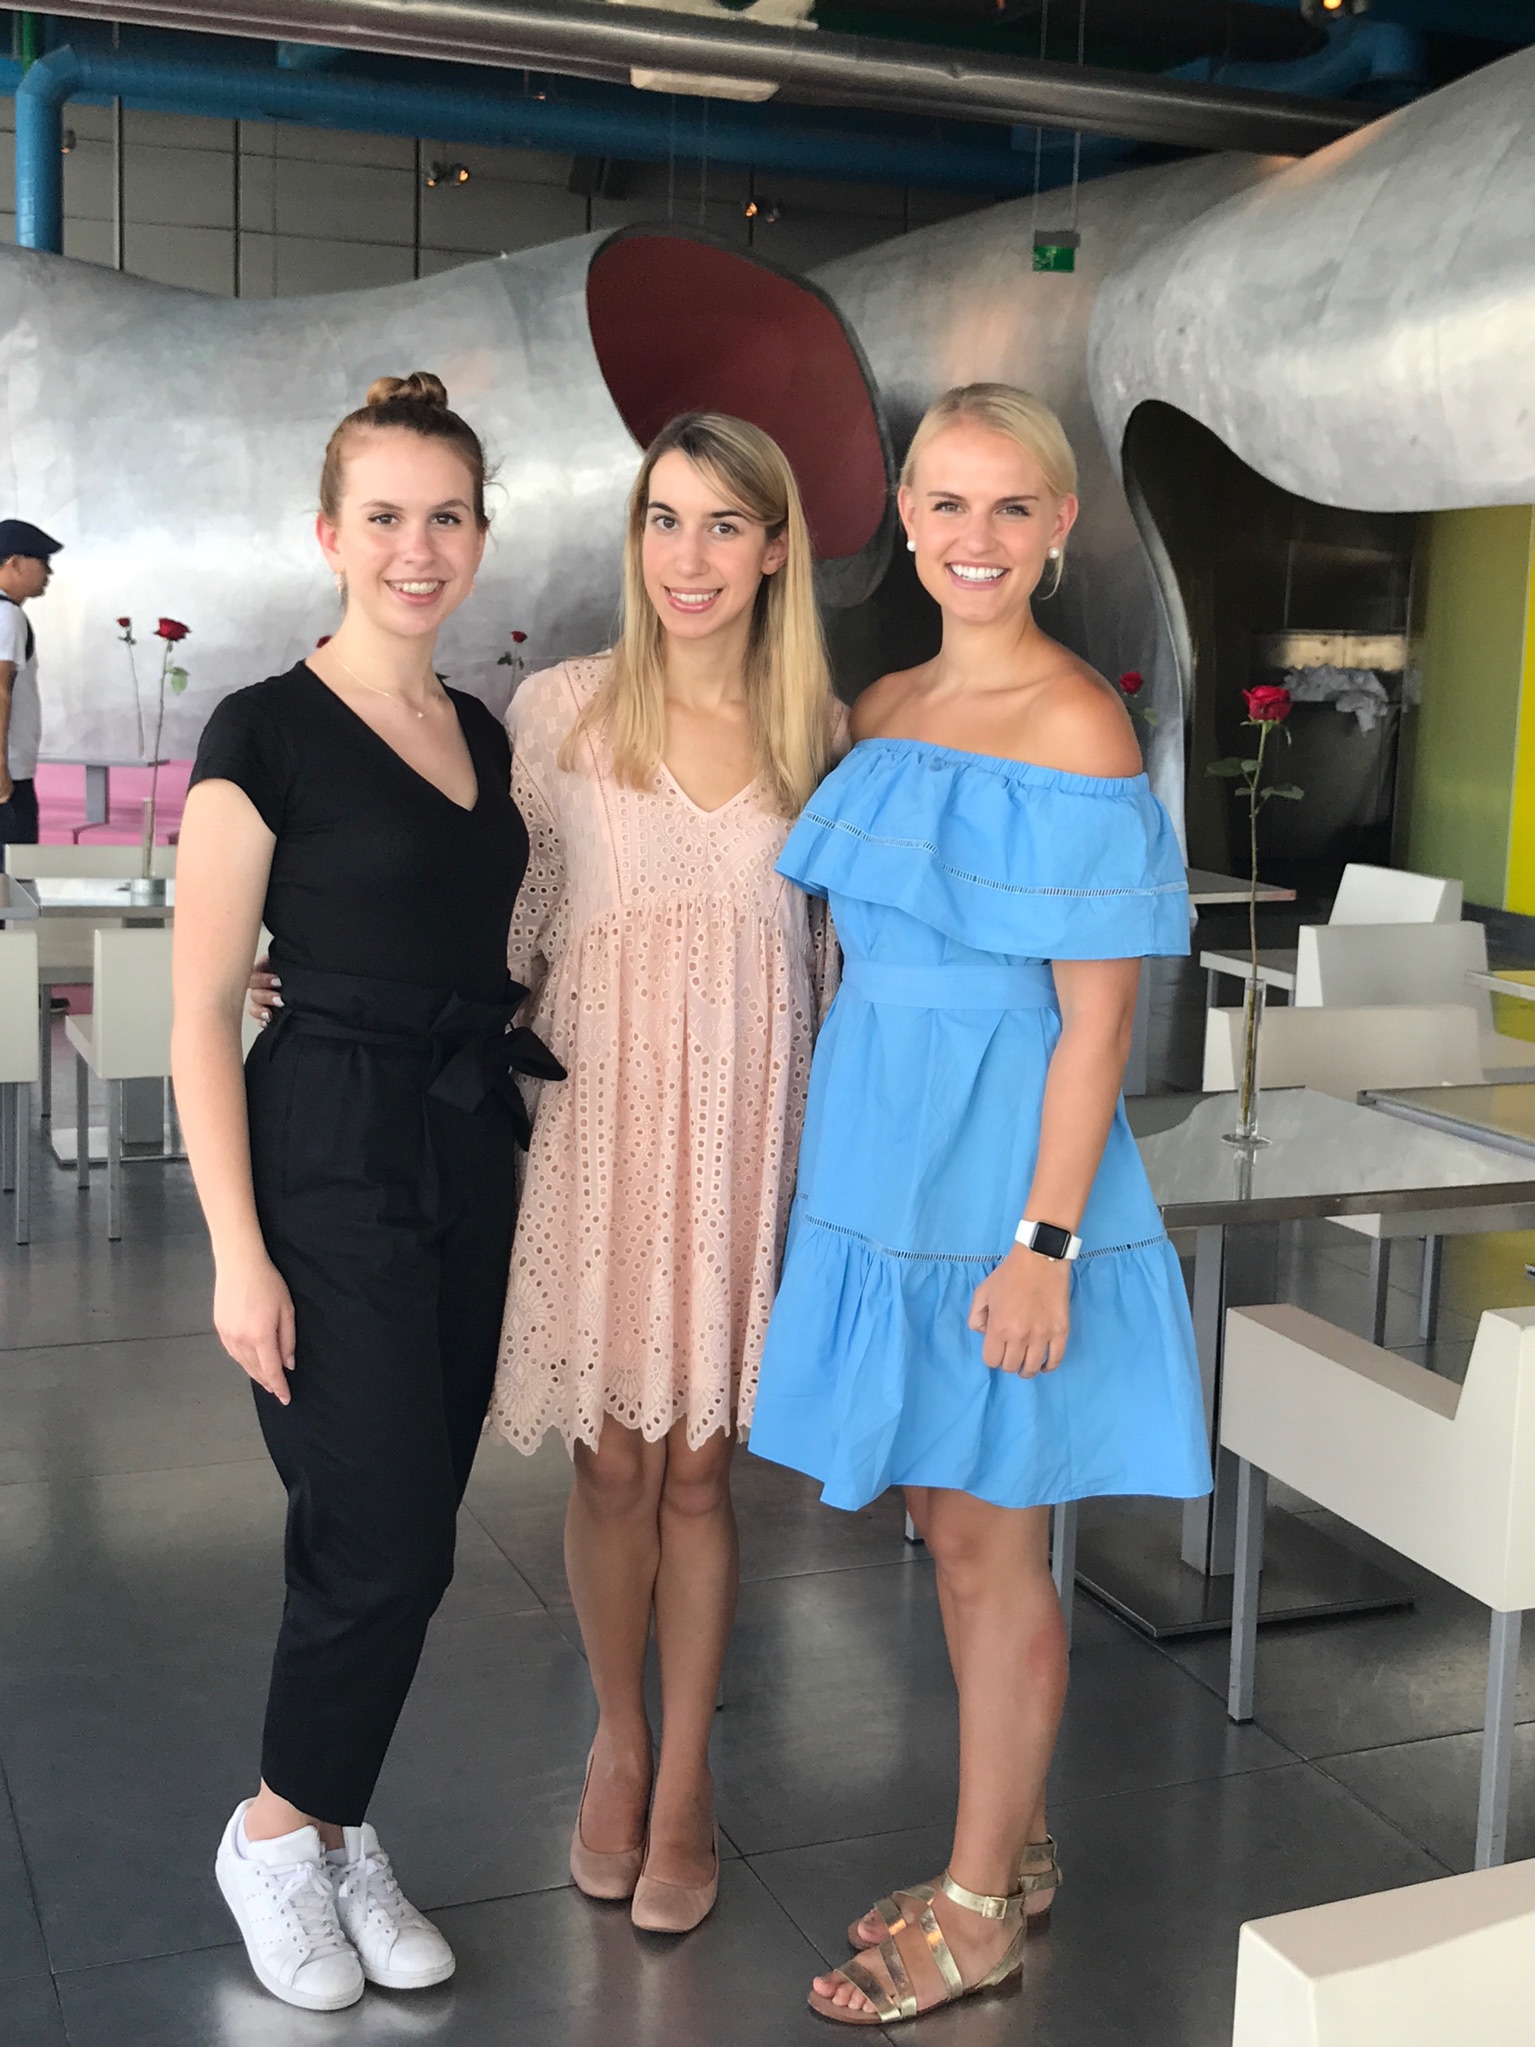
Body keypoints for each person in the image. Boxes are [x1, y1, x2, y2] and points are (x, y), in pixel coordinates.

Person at [748, 383, 1211, 2025]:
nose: (975, 536)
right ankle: (1005, 1848)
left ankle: (977, 1906)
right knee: (948, 1524)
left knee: (988, 1542)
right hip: (882, 1158)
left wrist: (1044, 1242)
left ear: (1060, 525)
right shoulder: (881, 707)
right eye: (946, 502)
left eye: (1012, 506)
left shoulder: (1079, 724)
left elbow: (1096, 1021)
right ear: (906, 517)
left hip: (1002, 1172)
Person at [172, 372, 560, 2014]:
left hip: (465, 1139)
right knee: (379, 1528)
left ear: (478, 534)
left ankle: (333, 1826)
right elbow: (199, 1005)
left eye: (446, 515)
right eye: (385, 515)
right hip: (324, 1144)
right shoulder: (260, 728)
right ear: (330, 534)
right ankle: (273, 1829)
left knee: (404, 1527)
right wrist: (235, 1254)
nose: (418, 546)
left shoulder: (484, 731)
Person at [487, 411, 842, 1934]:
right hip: (596, 1138)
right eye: (663, 519)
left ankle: (687, 1773)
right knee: (608, 1462)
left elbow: (840, 966)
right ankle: (617, 1744)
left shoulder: (819, 732)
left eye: (721, 524)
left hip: (742, 1140)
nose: (686, 556)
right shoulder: (560, 709)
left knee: (699, 1471)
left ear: (773, 547)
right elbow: (494, 922)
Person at [0, 518, 62, 847]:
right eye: (42, 560)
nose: (49, 572)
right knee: (15, 870)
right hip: (9, 774)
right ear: (14, 563)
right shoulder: (7, 616)